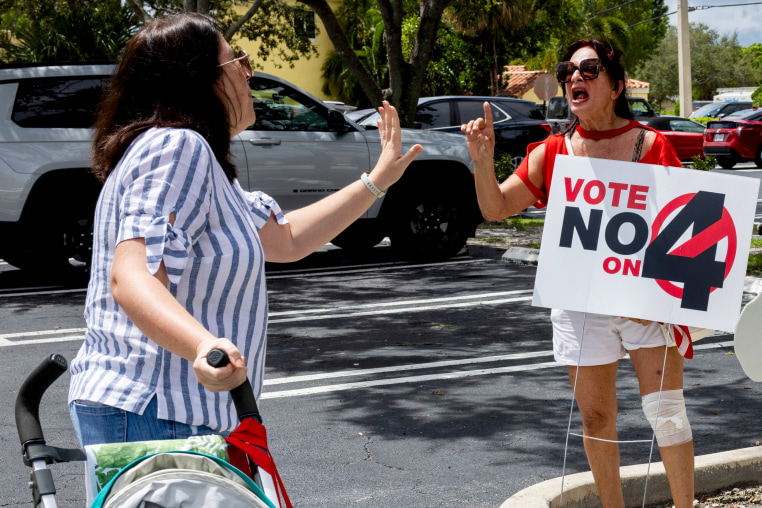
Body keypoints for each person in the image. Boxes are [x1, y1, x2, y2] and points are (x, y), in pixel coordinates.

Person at [68, 12, 421, 446]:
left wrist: (377, 180)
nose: (247, 73)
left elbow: (287, 239)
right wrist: (202, 346)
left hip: (170, 409)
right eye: (236, 61)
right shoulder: (177, 146)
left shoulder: (203, 163)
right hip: (158, 407)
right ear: (201, 79)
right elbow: (132, 274)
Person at [462, 39, 694, 508]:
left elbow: (686, 229)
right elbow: (495, 207)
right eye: (569, 69)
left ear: (616, 86)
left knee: (666, 413)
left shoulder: (652, 145)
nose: (575, 77)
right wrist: (482, 161)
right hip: (579, 302)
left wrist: (673, 298)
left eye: (590, 69)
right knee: (595, 417)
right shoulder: (553, 151)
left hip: (644, 301)